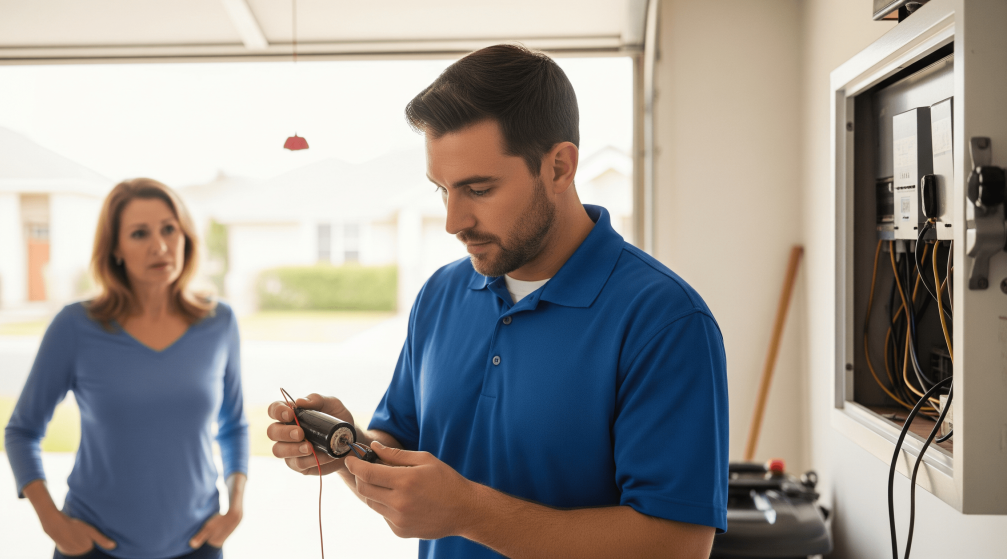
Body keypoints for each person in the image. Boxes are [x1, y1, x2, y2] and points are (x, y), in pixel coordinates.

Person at [267, 44, 728, 558]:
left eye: (479, 189)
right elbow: (397, 447)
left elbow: (678, 545)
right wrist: (347, 449)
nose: (453, 222)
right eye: (442, 190)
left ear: (559, 167)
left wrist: (470, 512)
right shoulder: (440, 295)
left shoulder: (666, 321)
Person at [5, 178, 249, 559]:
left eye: (169, 228)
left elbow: (234, 425)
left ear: (185, 235)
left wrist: (235, 507)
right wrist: (52, 521)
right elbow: (22, 431)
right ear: (115, 248)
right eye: (139, 233)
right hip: (93, 548)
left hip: (198, 545)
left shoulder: (219, 322)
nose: (160, 245)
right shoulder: (74, 326)